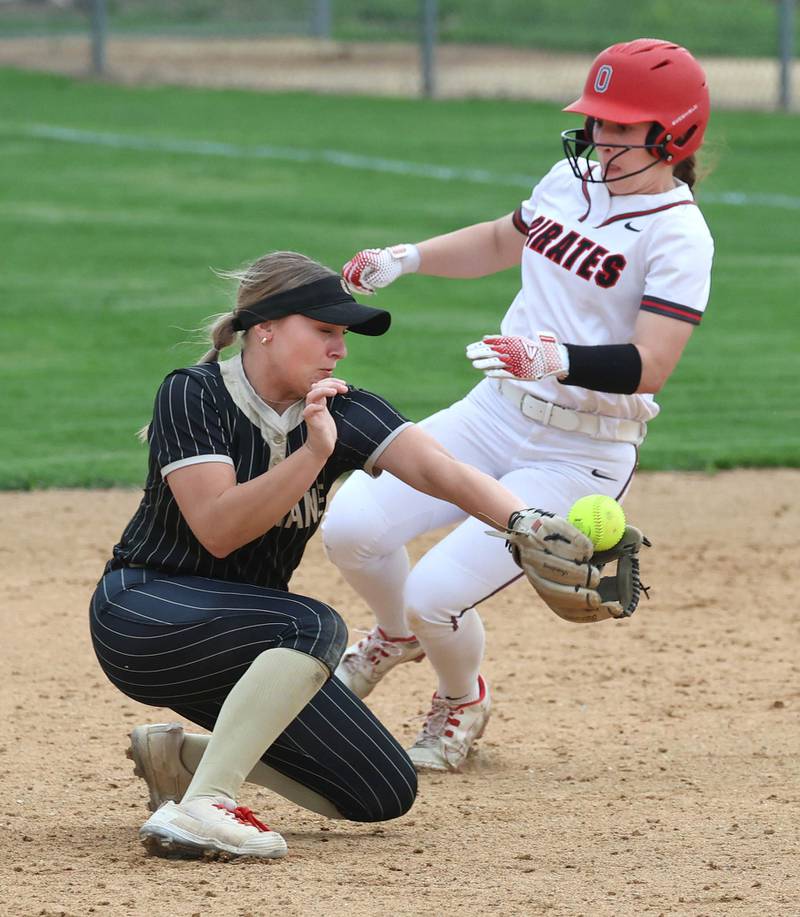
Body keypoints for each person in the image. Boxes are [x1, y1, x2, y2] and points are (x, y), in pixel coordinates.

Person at [322, 38, 714, 772]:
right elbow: (504, 240)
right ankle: (395, 632)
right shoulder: (573, 183)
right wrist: (408, 258)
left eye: (622, 127)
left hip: (581, 451)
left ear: (673, 134)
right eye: (596, 120)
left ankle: (460, 696)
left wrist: (556, 358)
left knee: (437, 593)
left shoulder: (680, 234)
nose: (599, 138)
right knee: (351, 527)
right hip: (493, 410)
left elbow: (653, 364)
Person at [89, 250, 533, 860]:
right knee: (312, 624)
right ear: (265, 327)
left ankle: (181, 760)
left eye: (343, 334)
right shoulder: (193, 394)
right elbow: (219, 529)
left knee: (382, 789)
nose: (340, 348)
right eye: (324, 330)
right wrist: (312, 457)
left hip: (250, 647)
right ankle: (205, 803)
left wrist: (531, 527)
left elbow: (442, 469)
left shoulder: (338, 407)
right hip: (145, 616)